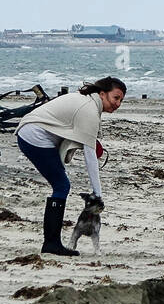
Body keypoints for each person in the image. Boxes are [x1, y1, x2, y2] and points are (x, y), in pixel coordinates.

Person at [15, 77, 125, 256]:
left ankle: (51, 243)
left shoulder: (89, 102)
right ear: (102, 94)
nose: (118, 104)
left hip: (30, 132)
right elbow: (90, 157)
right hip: (34, 135)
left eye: (121, 100)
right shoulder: (89, 109)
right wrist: (98, 193)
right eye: (116, 98)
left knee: (61, 184)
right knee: (62, 186)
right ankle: (51, 244)